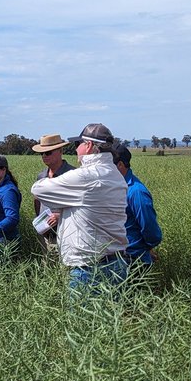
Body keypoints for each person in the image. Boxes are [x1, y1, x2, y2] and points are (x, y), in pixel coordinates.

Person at [30, 123, 128, 293]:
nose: (76, 149)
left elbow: (38, 189)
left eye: (78, 144)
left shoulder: (84, 176)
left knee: (81, 318)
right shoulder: (115, 174)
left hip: (89, 269)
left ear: (88, 145)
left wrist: (63, 199)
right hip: (117, 263)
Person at [113, 144, 162, 269]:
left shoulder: (136, 192)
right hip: (116, 258)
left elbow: (149, 227)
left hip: (135, 260)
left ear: (120, 165)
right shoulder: (113, 187)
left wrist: (149, 247)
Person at [31, 133, 74, 255]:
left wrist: (60, 216)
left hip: (67, 233)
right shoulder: (41, 176)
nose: (44, 156)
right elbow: (37, 200)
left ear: (60, 151)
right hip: (46, 231)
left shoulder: (73, 175)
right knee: (48, 265)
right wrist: (39, 220)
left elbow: (81, 205)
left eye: (48, 152)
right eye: (42, 153)